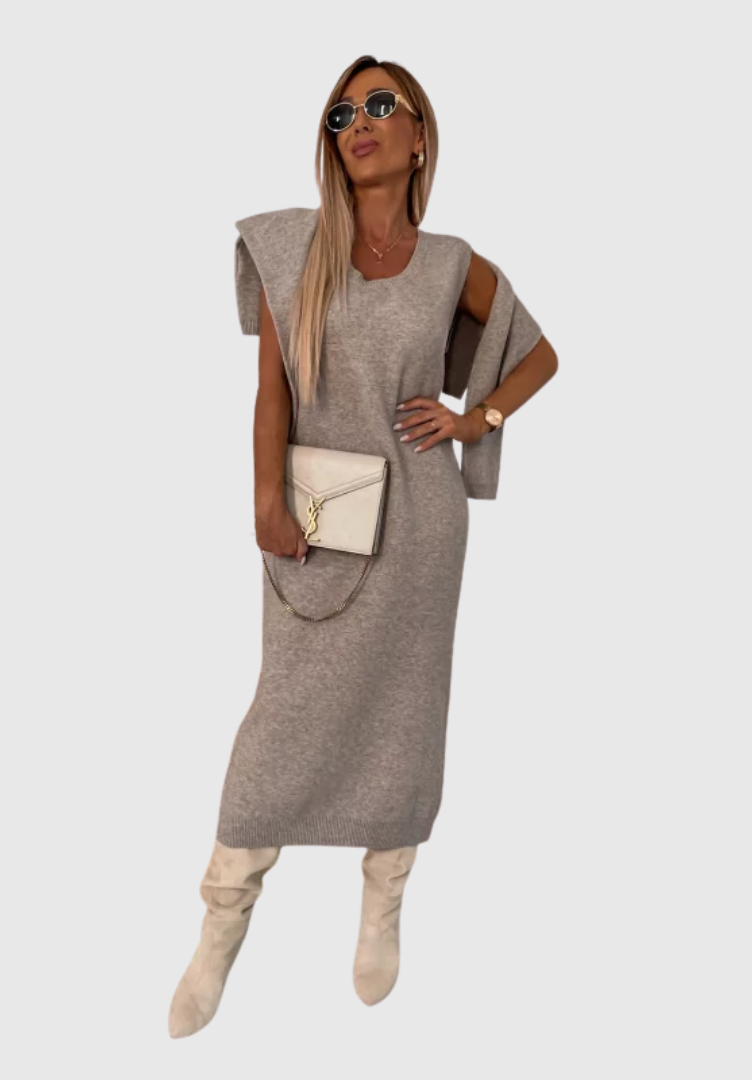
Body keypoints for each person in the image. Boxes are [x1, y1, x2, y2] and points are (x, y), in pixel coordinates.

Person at [169, 54, 558, 1038]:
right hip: (318, 527)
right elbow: (272, 393)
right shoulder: (291, 246)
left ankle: (384, 898)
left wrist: (476, 418)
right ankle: (221, 924)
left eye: (383, 105)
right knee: (278, 730)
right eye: (343, 113)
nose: (360, 122)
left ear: (420, 136)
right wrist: (263, 498)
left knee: (405, 724)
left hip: (421, 532)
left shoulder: (452, 262)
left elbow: (540, 352)